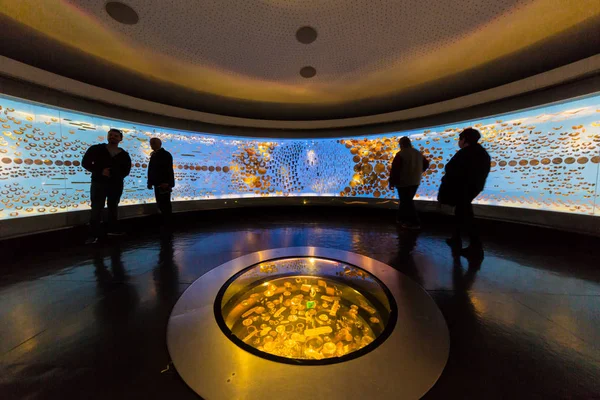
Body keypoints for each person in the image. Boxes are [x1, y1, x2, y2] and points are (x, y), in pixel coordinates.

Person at [438, 128, 491, 260]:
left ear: (465, 139)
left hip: (463, 189)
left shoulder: (466, 153)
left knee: (466, 215)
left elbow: (451, 169)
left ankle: (476, 247)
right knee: (461, 212)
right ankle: (456, 238)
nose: (459, 141)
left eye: (460, 139)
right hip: (472, 188)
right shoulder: (482, 153)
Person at [82, 128, 132, 243]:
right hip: (99, 183)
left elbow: (126, 170)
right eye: (111, 135)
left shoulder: (124, 155)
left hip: (116, 184)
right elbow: (85, 163)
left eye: (115, 135)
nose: (113, 137)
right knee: (96, 208)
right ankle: (94, 234)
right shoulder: (96, 149)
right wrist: (100, 171)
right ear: (107, 136)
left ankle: (112, 230)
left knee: (113, 207)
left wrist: (115, 175)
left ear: (120, 139)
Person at [389, 136, 430, 229]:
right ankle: (400, 219)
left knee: (407, 201)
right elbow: (426, 164)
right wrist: (419, 171)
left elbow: (395, 170)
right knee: (406, 201)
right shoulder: (418, 153)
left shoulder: (401, 154)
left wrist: (391, 182)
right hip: (415, 181)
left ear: (401, 144)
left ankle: (415, 222)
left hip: (403, 181)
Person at [147, 138, 175, 225]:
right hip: (158, 184)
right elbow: (151, 170)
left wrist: (168, 183)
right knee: (161, 204)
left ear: (160, 144)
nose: (152, 145)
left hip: (164, 184)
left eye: (154, 143)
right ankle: (165, 222)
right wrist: (150, 182)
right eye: (151, 143)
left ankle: (167, 223)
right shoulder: (155, 155)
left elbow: (168, 170)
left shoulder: (165, 155)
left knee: (165, 204)